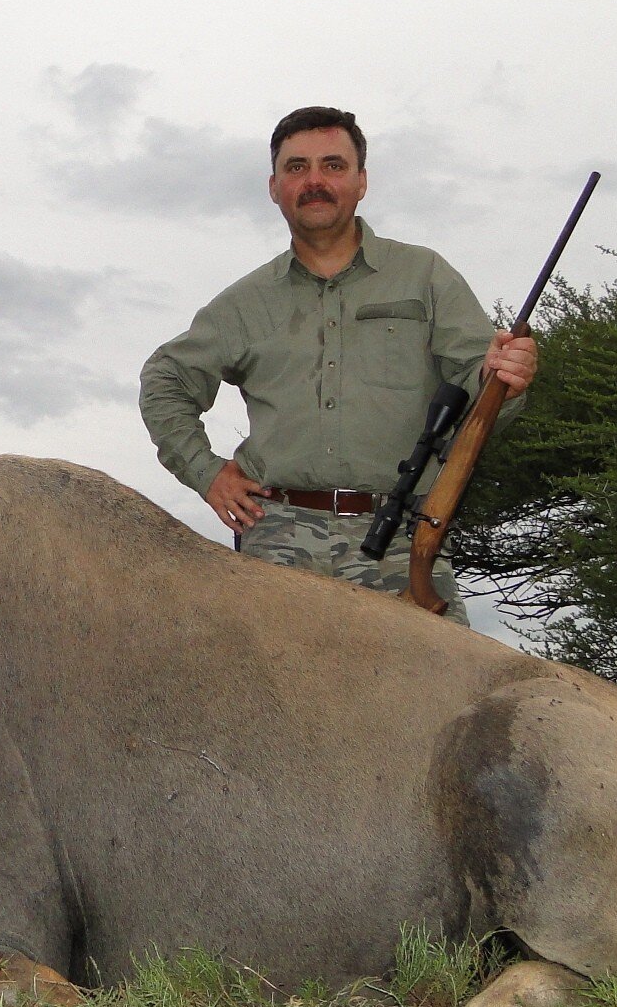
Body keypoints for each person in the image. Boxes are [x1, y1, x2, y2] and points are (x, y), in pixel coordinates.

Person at [139, 106, 538, 623]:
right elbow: (164, 381)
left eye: (333, 165)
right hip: (277, 542)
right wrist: (208, 473)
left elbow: (484, 392)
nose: (314, 181)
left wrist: (504, 375)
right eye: (297, 167)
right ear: (274, 186)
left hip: (403, 539)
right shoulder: (244, 303)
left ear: (362, 181)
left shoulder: (425, 275)